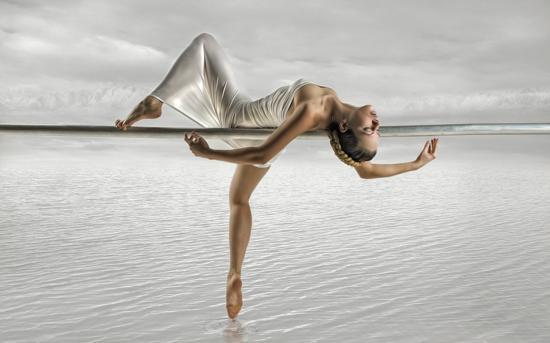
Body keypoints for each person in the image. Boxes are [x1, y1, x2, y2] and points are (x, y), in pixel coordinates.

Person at [115, 32, 439, 319]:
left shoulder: (318, 108)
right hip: (259, 139)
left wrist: (207, 152)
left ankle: (155, 102)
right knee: (239, 200)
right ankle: (233, 274)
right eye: (376, 131)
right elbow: (365, 171)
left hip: (241, 124)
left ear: (345, 127)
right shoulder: (332, 120)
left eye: (370, 129)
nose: (377, 123)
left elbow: (262, 154)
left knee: (205, 43)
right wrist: (415, 164)